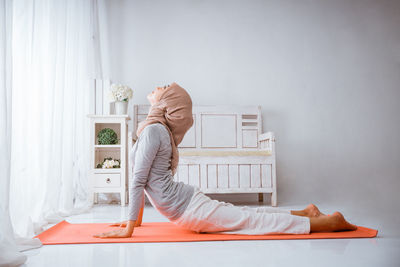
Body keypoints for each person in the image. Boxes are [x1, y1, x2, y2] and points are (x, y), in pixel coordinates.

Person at [93, 82, 357, 239]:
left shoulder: (153, 131)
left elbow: (139, 180)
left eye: (165, 88)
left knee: (251, 222)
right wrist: (135, 221)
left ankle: (326, 222)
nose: (159, 86)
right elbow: (143, 179)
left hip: (190, 210)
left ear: (166, 102)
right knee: (247, 216)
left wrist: (128, 229)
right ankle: (305, 212)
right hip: (188, 205)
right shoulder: (153, 130)